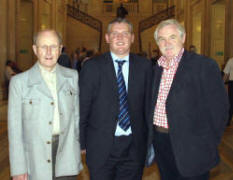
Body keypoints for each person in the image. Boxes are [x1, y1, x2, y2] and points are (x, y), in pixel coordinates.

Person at [147, 19, 229, 180]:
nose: (167, 43)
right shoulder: (156, 68)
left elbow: (220, 109)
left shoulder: (204, 65)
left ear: (183, 38)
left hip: (193, 146)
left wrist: (208, 143)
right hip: (161, 142)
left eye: (172, 37)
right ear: (157, 43)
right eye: (162, 39)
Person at [79, 18, 152, 180]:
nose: (120, 37)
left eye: (125, 33)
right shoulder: (92, 67)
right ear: (107, 38)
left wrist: (150, 142)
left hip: (134, 147)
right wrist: (82, 142)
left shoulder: (145, 67)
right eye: (115, 34)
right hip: (100, 147)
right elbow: (82, 108)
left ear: (132, 38)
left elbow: (148, 108)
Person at [8, 29, 83, 180]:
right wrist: (18, 168)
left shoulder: (72, 77)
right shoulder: (19, 82)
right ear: (35, 49)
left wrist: (78, 146)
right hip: (35, 158)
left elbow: (77, 118)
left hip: (66, 156)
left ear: (60, 49)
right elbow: (15, 130)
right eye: (43, 47)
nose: (49, 52)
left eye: (54, 46)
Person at [223, 57, 233, 126]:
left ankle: (228, 121)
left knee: (231, 102)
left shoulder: (231, 60)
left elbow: (226, 74)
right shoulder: (230, 60)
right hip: (232, 83)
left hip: (232, 84)